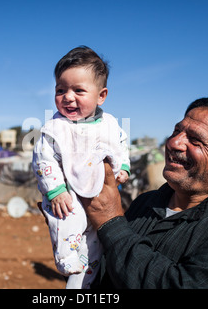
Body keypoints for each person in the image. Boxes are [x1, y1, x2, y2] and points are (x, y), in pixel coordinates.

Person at [80, 96, 208, 288]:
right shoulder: (146, 203)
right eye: (177, 131)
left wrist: (111, 223)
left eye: (196, 140)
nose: (174, 143)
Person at [32, 46, 130, 289]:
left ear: (101, 95)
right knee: (67, 220)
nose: (68, 97)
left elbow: (119, 144)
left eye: (78, 90)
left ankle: (83, 282)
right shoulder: (55, 128)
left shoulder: (109, 124)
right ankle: (65, 259)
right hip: (67, 194)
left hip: (98, 193)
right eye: (60, 90)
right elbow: (43, 159)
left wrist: (122, 167)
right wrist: (55, 190)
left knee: (94, 242)